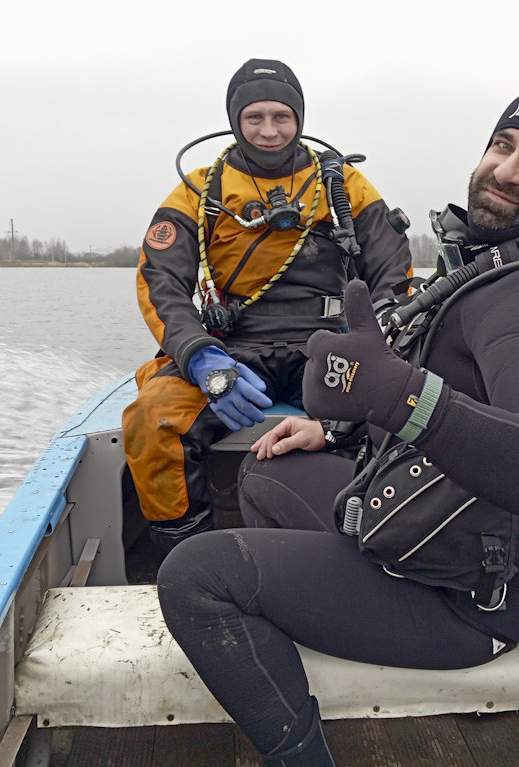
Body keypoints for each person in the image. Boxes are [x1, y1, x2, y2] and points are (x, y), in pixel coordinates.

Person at [157, 87, 519, 766]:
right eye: (502, 145)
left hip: (463, 602)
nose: (508, 169)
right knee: (264, 466)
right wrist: (336, 430)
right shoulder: (486, 269)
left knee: (194, 576)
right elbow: (459, 401)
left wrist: (401, 398)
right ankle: (324, 611)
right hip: (423, 534)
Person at [122, 58, 412, 557]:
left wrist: (384, 337)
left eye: (282, 117)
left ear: (300, 118)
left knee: (397, 411)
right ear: (235, 120)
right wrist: (200, 357)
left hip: (326, 345)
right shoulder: (199, 188)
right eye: (255, 117)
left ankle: (374, 541)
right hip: (232, 350)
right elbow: (160, 279)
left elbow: (393, 269)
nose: (269, 130)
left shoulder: (345, 185)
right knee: (152, 419)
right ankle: (184, 552)